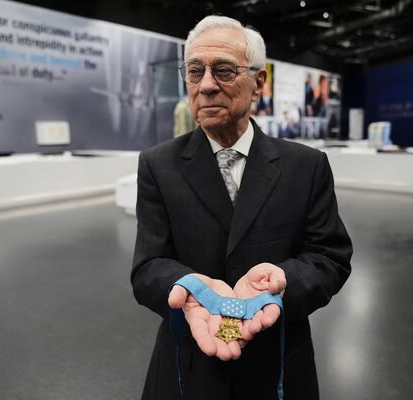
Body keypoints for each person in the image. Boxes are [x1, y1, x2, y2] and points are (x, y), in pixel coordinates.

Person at [131, 15, 352, 400]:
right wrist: (189, 288)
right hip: (188, 365)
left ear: (259, 84)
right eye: (195, 71)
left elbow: (329, 258)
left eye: (224, 71)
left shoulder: (306, 165)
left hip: (276, 365)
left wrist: (283, 281)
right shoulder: (158, 164)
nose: (207, 85)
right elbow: (148, 266)